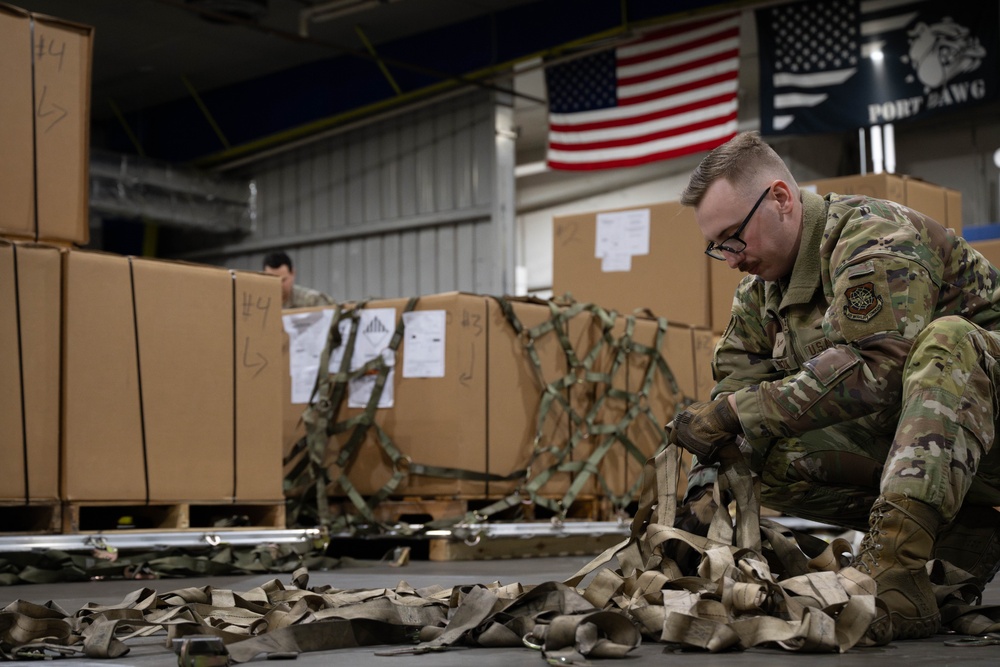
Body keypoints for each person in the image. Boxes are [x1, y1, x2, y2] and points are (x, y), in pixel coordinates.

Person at [669, 131, 1000, 642]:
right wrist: (691, 516)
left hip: (988, 424)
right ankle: (961, 539)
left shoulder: (874, 236)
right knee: (757, 451)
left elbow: (880, 368)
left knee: (947, 341)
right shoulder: (760, 296)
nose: (730, 257)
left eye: (734, 236)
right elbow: (733, 401)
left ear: (780, 198)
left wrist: (738, 410)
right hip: (941, 454)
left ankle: (894, 567)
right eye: (718, 247)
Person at [263, 251, 334, 309]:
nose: (279, 285)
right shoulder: (257, 303)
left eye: (283, 280)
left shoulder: (312, 300)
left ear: (293, 273)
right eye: (272, 280)